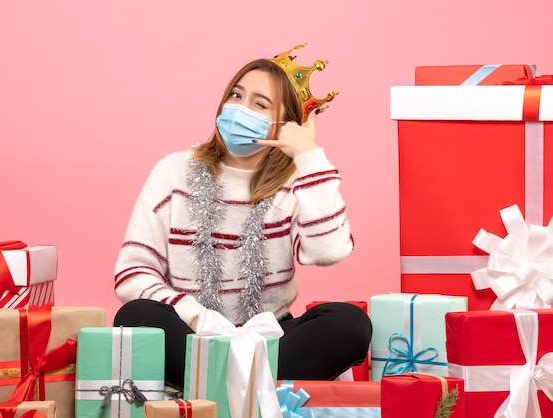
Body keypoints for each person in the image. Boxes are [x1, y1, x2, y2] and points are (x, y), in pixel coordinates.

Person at [113, 44, 372, 391]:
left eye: (259, 104)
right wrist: (196, 315)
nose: (239, 108)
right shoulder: (173, 171)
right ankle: (253, 391)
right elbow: (133, 273)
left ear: (285, 125)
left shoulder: (297, 182)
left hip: (272, 338)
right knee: (135, 317)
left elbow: (328, 251)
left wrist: (309, 157)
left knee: (350, 323)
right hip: (191, 332)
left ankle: (216, 388)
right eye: (236, 95)